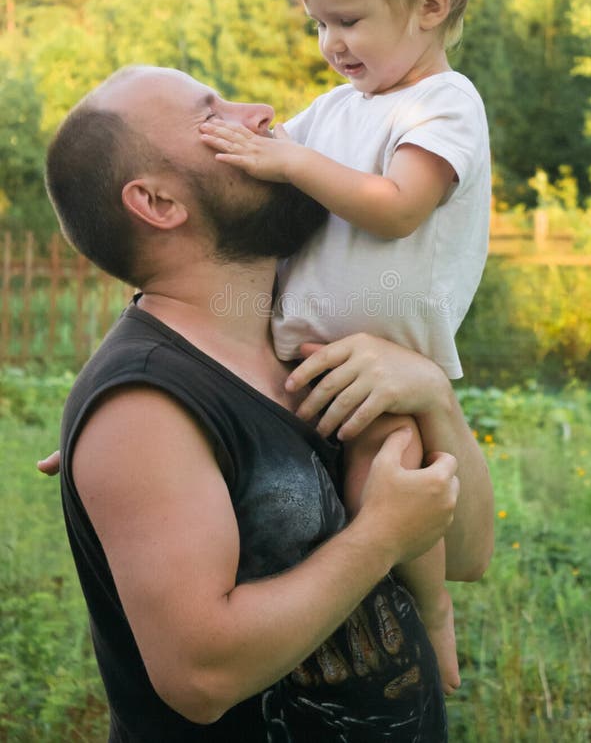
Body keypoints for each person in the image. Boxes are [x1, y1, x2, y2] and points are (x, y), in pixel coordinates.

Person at [43, 65, 494, 742]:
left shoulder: (313, 351)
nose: (259, 110)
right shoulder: (146, 406)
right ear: (159, 204)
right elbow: (200, 678)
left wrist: (430, 394)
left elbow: (466, 552)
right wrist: (379, 538)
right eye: (212, 115)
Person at [198, 0, 491, 693]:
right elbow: (267, 161)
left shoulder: (441, 104)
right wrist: (239, 135)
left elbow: (397, 207)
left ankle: (430, 613)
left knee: (389, 468)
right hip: (289, 351)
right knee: (193, 411)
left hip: (384, 365)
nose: (331, 42)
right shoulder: (335, 108)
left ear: (429, 7)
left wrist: (290, 158)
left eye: (349, 20)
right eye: (318, 22)